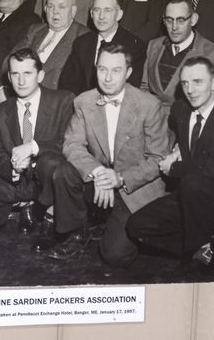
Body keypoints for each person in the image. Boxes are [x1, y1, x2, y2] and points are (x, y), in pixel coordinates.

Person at [47, 43, 170, 266]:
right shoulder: (84, 101)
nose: (108, 78)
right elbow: (72, 144)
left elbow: (158, 158)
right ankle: (75, 232)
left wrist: (120, 179)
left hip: (133, 185)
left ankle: (120, 225)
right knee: (63, 171)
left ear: (129, 73)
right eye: (102, 69)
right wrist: (98, 172)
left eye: (116, 70)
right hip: (100, 176)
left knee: (115, 255)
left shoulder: (149, 105)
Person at [127, 57, 214, 271]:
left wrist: (173, 168)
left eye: (197, 82)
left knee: (192, 182)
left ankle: (204, 252)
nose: (190, 90)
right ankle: (208, 248)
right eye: (184, 83)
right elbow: (180, 136)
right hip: (188, 195)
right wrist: (176, 150)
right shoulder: (180, 109)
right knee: (137, 226)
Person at [0, 48, 75, 233]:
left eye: (27, 74)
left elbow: (69, 143)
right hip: (18, 180)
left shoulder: (63, 101)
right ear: (9, 77)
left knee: (52, 163)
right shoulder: (0, 112)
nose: (21, 81)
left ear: (40, 75)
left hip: (49, 180)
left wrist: (33, 147)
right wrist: (13, 168)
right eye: (15, 74)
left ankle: (44, 211)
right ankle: (23, 210)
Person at [141, 0, 214, 116]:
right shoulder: (154, 46)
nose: (174, 27)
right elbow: (144, 87)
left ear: (193, 20)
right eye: (169, 20)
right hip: (153, 122)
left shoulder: (211, 53)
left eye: (181, 20)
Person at [58, 0, 146, 95]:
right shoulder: (82, 43)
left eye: (107, 10)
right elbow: (68, 84)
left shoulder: (135, 46)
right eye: (97, 10)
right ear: (91, 14)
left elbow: (130, 89)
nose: (101, 16)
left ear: (119, 14)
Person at [12, 0, 89, 90]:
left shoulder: (84, 37)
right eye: (51, 6)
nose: (55, 12)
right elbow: (11, 58)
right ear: (45, 9)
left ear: (73, 11)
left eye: (61, 7)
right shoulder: (35, 29)